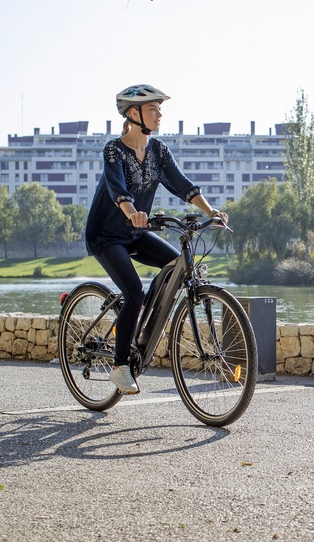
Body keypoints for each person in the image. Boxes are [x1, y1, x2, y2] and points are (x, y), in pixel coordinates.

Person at [84, 84, 228, 394]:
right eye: (154, 109)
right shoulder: (114, 149)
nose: (160, 114)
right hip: (106, 236)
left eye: (160, 109)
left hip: (136, 233)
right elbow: (117, 188)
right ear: (134, 114)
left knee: (176, 264)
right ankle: (121, 365)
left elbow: (182, 185)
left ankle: (144, 312)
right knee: (132, 290)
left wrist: (210, 210)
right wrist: (133, 212)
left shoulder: (159, 150)